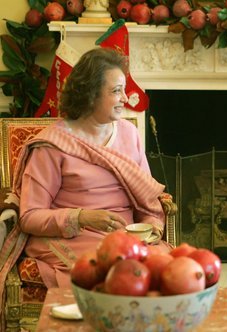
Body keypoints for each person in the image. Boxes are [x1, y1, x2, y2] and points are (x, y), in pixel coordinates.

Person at [0, 48, 169, 298]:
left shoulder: (129, 134)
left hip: (125, 234)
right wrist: (82, 218)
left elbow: (147, 201)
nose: (125, 97)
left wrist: (150, 227)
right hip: (74, 236)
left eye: (124, 89)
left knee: (164, 270)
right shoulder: (51, 145)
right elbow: (30, 217)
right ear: (89, 94)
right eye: (116, 91)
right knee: (113, 274)